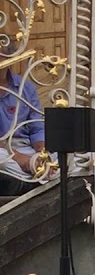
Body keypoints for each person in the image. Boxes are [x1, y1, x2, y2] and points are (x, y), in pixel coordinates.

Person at [0, 41, 49, 196]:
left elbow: (37, 127)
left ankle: (37, 172)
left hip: (25, 146)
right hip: (3, 150)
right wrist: (17, 157)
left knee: (77, 157)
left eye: (2, 54)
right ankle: (38, 177)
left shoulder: (25, 87)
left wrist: (41, 154)